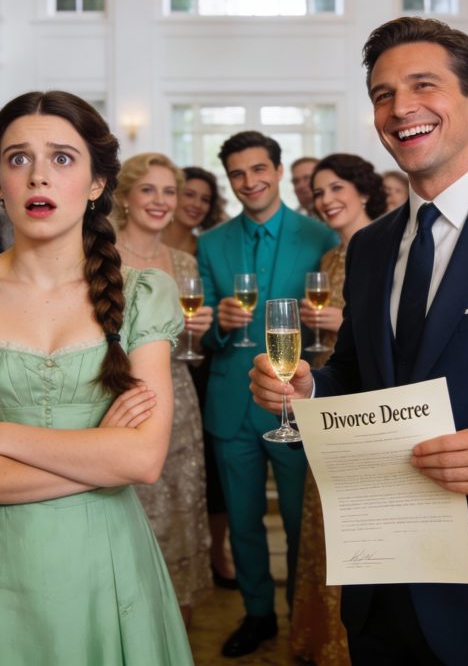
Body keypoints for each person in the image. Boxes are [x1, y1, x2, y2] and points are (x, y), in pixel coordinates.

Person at [251, 17, 468, 666]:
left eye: (423, 85)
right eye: (383, 94)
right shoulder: (372, 246)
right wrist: (310, 389)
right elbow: (358, 376)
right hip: (383, 585)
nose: (400, 108)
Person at [0, 92, 193, 665]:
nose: (38, 175)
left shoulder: (142, 295)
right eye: (18, 159)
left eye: (62, 158)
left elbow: (142, 461)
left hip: (104, 559)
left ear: (96, 183)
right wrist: (99, 456)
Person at [197, 131, 336, 658]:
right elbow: (205, 335)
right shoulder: (211, 243)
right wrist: (220, 324)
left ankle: (303, 619)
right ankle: (257, 614)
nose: (249, 181)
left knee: (302, 526)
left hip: (295, 404)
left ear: (278, 171)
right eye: (237, 173)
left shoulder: (320, 235)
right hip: (231, 405)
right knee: (243, 522)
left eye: (258, 169)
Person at [292, 153, 386, 666]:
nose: (325, 200)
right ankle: (323, 641)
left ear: (363, 190)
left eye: (336, 189)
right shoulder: (330, 258)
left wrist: (344, 320)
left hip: (370, 402)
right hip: (326, 395)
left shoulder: (389, 246)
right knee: (324, 517)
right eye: (318, 193)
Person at [114, 152, 213, 627]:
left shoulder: (183, 261)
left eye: (168, 191)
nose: (160, 201)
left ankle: (175, 631)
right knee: (130, 507)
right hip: (119, 394)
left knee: (179, 506)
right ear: (125, 198)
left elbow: (191, 346)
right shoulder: (100, 254)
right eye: (148, 190)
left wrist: (199, 332)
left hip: (178, 397)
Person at [162, 165, 236, 589]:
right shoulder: (134, 244)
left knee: (207, 468)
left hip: (204, 364)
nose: (195, 204)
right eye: (188, 194)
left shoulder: (206, 249)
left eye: (205, 199)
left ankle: (215, 551)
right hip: (157, 365)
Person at [162, 165, 226, 257]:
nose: (197, 204)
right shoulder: (147, 239)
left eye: (205, 199)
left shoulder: (208, 251)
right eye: (189, 195)